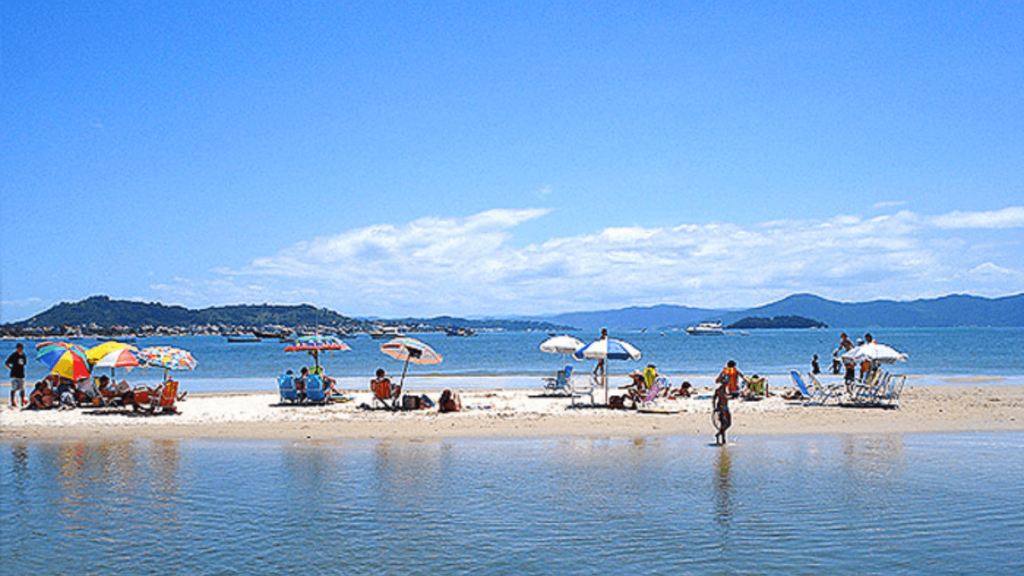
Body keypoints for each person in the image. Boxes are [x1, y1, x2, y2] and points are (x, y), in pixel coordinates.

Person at [6, 343, 27, 408]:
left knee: (22, 389)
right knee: (14, 388)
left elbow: (24, 364)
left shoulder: (23, 355)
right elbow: (6, 363)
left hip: (21, 374)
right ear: (17, 348)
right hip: (14, 374)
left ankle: (22, 401)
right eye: (19, 348)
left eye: (21, 348)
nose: (20, 349)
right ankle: (12, 402)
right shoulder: (14, 355)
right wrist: (11, 368)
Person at [712, 378, 731, 445]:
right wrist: (714, 408)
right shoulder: (718, 390)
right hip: (720, 408)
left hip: (726, 407)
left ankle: (718, 434)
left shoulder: (727, 389)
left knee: (729, 424)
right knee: (723, 424)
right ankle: (723, 440)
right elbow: (714, 399)